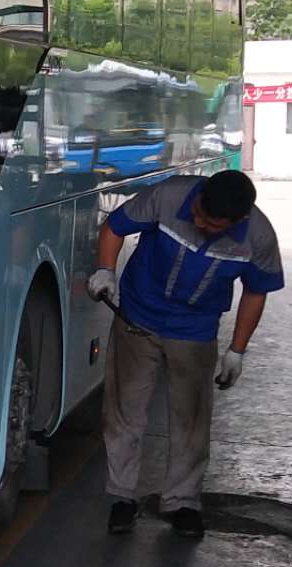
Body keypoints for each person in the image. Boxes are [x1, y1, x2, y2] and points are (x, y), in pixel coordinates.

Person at [86, 169, 282, 539]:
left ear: (238, 219)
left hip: (195, 329)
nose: (199, 223)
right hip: (138, 317)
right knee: (124, 409)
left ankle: (182, 502)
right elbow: (114, 227)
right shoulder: (168, 196)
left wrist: (237, 350)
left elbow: (256, 292)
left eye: (212, 224)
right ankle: (123, 496)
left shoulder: (258, 237)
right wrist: (105, 269)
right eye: (199, 213)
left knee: (190, 418)